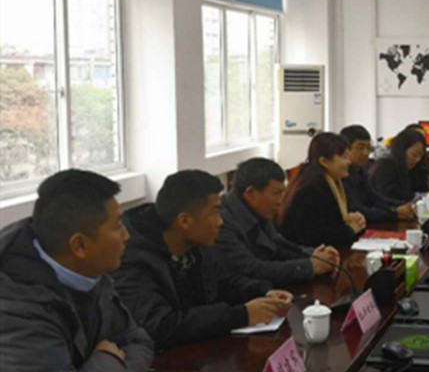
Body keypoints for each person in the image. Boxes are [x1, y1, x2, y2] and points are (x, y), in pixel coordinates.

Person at [0, 170, 154, 372]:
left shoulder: (89, 271)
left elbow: (139, 341)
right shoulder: (15, 303)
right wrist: (106, 360)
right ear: (80, 245)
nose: (127, 236)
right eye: (118, 226)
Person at [114, 170, 292, 351]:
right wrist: (241, 315)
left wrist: (263, 292)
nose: (220, 222)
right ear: (185, 221)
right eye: (214, 213)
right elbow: (160, 325)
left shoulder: (195, 244)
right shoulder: (131, 260)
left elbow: (221, 282)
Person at [215, 157, 341, 286]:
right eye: (276, 193)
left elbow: (277, 246)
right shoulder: (221, 224)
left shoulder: (258, 210)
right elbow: (251, 269)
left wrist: (315, 255)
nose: (280, 201)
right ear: (250, 193)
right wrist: (310, 266)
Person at [280, 133, 367, 248]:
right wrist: (350, 230)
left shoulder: (334, 182)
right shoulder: (311, 190)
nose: (349, 162)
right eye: (344, 157)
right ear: (324, 161)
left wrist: (356, 221)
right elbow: (315, 238)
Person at [340, 125, 415, 223]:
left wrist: (402, 206)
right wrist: (394, 213)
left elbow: (375, 199)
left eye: (368, 148)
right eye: (360, 148)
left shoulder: (360, 172)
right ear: (346, 150)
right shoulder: (342, 175)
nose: (366, 153)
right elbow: (357, 209)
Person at [369, 128, 427, 204]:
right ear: (402, 150)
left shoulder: (411, 169)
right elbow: (390, 194)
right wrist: (415, 197)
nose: (417, 160)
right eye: (414, 155)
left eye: (421, 156)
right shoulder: (385, 168)